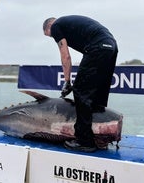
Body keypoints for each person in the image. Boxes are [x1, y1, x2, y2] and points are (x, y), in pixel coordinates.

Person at [43, 15, 118, 152]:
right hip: (111, 46)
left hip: (98, 46)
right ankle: (97, 134)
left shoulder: (56, 26)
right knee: (97, 92)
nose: (53, 37)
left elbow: (65, 56)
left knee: (81, 90)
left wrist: (67, 81)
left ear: (48, 28)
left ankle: (84, 141)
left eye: (50, 36)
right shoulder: (70, 23)